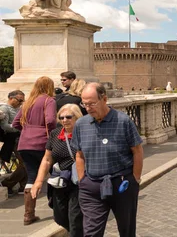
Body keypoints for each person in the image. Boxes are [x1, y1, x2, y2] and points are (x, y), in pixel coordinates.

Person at [72, 83, 144, 236]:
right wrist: (82, 180)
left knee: (126, 229)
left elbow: (137, 150)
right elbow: (79, 155)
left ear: (104, 99)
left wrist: (135, 179)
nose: (88, 108)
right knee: (91, 233)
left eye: (91, 103)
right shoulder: (80, 124)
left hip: (121, 184)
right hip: (91, 186)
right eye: (84, 104)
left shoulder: (123, 121)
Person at [31, 104, 84, 236]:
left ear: (77, 117)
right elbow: (47, 159)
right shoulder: (55, 134)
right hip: (61, 180)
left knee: (75, 218)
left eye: (68, 117)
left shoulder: (85, 133)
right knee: (60, 216)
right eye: (61, 117)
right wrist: (38, 181)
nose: (64, 120)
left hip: (79, 181)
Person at [12, 76, 57, 225]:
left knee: (31, 177)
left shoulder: (28, 102)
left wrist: (27, 130)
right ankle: (60, 209)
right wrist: (50, 133)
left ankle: (28, 215)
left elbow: (15, 123)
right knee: (56, 173)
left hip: (25, 144)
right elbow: (50, 120)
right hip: (42, 142)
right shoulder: (48, 100)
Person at [0, 90, 27, 195]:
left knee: (25, 162)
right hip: (13, 139)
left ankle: (23, 185)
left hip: (21, 138)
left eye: (22, 101)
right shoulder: (4, 109)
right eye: (19, 100)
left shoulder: (18, 109)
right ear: (11, 98)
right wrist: (19, 127)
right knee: (25, 162)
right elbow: (5, 126)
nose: (21, 103)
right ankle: (8, 183)